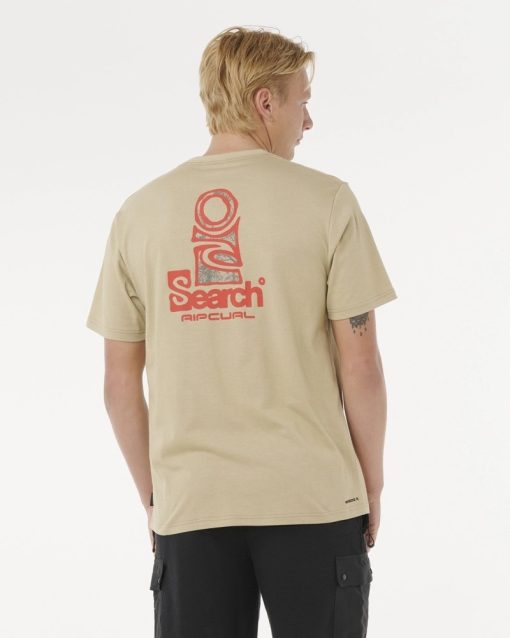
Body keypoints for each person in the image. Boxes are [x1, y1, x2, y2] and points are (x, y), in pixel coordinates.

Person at [86, 24, 398, 638]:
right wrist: (372, 484)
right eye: (303, 102)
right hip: (312, 499)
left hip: (192, 505)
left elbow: (119, 385)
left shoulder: (139, 214)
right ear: (265, 102)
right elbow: (360, 365)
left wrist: (158, 499)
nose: (308, 121)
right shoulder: (328, 202)